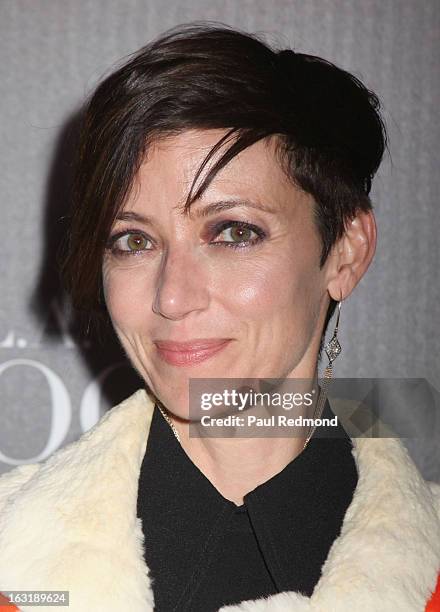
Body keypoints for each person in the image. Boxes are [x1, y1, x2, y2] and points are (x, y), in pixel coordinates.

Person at [0, 21, 439, 612]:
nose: (173, 298)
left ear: (345, 251)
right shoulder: (15, 570)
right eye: (133, 241)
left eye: (233, 232)